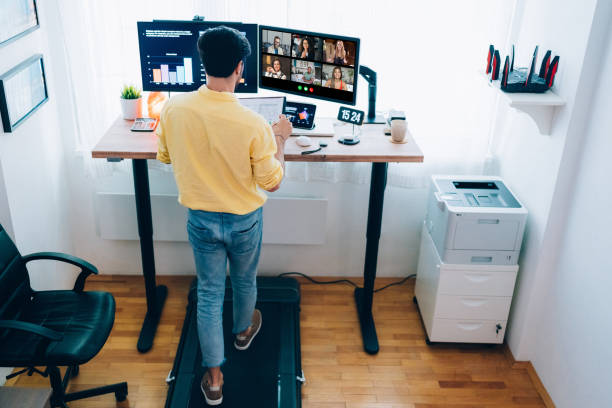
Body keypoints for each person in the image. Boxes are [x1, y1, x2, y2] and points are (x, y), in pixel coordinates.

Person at [156, 26, 292, 406]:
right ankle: (244, 330)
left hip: (201, 219)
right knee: (244, 279)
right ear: (239, 68)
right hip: (244, 219)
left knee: (210, 293)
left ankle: (214, 379)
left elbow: (165, 156)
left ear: (203, 65)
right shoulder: (253, 124)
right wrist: (281, 137)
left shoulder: (173, 108)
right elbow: (273, 181)